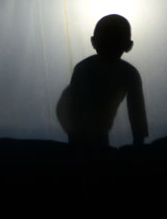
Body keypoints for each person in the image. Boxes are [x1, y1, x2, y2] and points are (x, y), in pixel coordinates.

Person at [57, 14, 148, 147]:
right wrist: (138, 141)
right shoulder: (129, 73)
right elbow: (137, 111)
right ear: (129, 46)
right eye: (107, 40)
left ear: (93, 41)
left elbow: (137, 111)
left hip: (84, 135)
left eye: (114, 40)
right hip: (82, 134)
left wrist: (138, 141)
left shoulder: (83, 68)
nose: (110, 45)